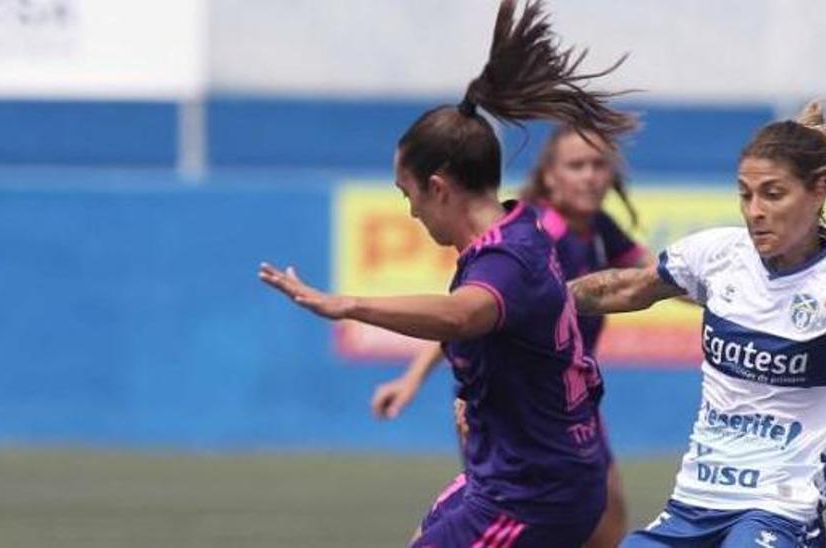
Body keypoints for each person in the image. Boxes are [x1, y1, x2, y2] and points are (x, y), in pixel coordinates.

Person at [259, 1, 637, 545]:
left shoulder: (506, 260)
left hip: (530, 492)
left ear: (438, 187)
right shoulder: (519, 229)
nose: (409, 210)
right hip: (516, 473)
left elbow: (464, 315)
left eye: (407, 194)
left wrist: (348, 304)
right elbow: (487, 327)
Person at [566, 100, 826, 548]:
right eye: (745, 194)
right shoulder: (717, 255)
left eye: (773, 194)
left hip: (782, 509)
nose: (754, 211)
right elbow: (628, 289)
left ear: (818, 193)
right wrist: (538, 297)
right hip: (692, 504)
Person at [372, 124, 647, 548]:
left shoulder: (597, 230)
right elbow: (464, 313)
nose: (591, 175)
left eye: (598, 165)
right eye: (577, 165)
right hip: (519, 415)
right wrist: (412, 379)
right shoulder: (537, 237)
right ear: (550, 176)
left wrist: (719, 285)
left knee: (604, 526)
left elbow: (647, 279)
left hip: (563, 409)